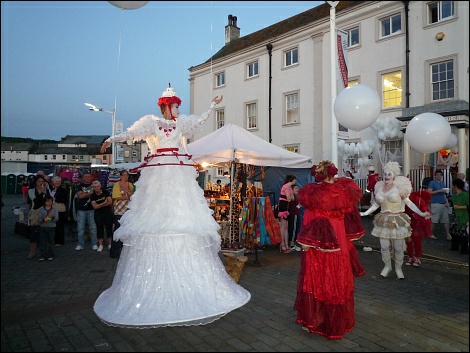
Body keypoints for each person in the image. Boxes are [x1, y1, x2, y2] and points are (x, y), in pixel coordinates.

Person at [94, 86, 250, 328]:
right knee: (156, 219)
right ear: (167, 106)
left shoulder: (180, 125)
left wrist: (211, 105)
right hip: (159, 176)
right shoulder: (153, 124)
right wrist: (111, 139)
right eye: (176, 106)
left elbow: (198, 121)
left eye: (179, 106)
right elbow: (131, 133)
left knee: (181, 216)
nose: (179, 110)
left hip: (177, 175)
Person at [294, 160, 364, 339]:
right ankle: (337, 321)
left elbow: (309, 217)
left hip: (320, 241)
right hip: (338, 238)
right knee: (336, 277)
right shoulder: (344, 190)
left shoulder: (313, 192)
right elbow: (349, 216)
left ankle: (318, 320)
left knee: (317, 276)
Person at [360, 161, 431, 279]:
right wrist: (365, 212)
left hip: (397, 219)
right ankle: (387, 266)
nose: (387, 176)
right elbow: (377, 204)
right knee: (384, 246)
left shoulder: (400, 189)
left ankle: (398, 268)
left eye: (389, 174)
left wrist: (422, 213)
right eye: (385, 173)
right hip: (383, 220)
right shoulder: (379, 187)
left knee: (398, 247)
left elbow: (410, 203)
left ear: (394, 176)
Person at [404, 190, 432, 267]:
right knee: (408, 240)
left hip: (416, 223)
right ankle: (411, 257)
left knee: (416, 240)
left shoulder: (418, 199)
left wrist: (417, 214)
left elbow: (425, 210)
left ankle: (416, 257)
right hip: (406, 222)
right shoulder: (402, 199)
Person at [110, 170, 134, 258]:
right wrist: (127, 196)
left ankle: (123, 249)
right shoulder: (117, 185)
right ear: (120, 176)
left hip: (127, 209)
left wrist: (130, 195)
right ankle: (114, 251)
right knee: (117, 228)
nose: (126, 177)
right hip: (119, 210)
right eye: (124, 175)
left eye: (127, 175)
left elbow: (133, 195)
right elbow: (116, 196)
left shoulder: (130, 185)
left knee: (126, 228)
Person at [27, 175, 50, 259]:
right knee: (33, 233)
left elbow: (48, 201)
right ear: (36, 182)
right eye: (39, 181)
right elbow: (35, 201)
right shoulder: (31, 191)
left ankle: (44, 252)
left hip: (44, 213)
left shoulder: (46, 191)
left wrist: (45, 192)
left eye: (42, 182)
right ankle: (32, 252)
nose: (41, 183)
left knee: (44, 233)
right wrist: (41, 193)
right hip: (34, 213)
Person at [75, 173, 98, 251]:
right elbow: (80, 196)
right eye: (86, 177)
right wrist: (91, 193)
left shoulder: (95, 185)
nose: (87, 178)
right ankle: (80, 244)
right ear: (83, 178)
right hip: (81, 209)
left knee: (93, 228)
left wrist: (85, 194)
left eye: (89, 176)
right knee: (80, 228)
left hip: (92, 209)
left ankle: (94, 243)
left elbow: (98, 193)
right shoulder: (79, 186)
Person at [90, 180, 114, 252]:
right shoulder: (93, 195)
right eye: (95, 187)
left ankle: (110, 243)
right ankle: (100, 244)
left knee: (109, 227)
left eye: (98, 186)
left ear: (100, 186)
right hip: (98, 214)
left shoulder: (106, 192)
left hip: (107, 213)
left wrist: (99, 205)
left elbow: (110, 202)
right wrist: (104, 203)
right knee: (99, 228)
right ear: (93, 188)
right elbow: (95, 206)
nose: (97, 188)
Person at [427, 169, 451, 240]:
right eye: (437, 175)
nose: (439, 176)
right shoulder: (432, 183)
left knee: (446, 220)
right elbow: (429, 192)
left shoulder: (442, 183)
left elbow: (444, 193)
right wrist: (440, 190)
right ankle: (430, 233)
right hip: (436, 203)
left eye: (440, 175)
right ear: (435, 176)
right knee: (434, 219)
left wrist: (446, 201)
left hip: (443, 203)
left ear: (442, 176)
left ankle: (448, 234)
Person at [449, 178, 469, 254]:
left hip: (463, 216)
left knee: (463, 233)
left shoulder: (465, 195)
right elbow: (453, 203)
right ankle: (455, 246)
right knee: (454, 231)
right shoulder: (454, 194)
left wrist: (459, 207)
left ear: (456, 186)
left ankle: (464, 250)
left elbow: (468, 206)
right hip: (455, 215)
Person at [277, 174, 296, 253]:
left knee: (286, 227)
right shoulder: (286, 187)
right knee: (283, 226)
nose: (295, 181)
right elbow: (289, 198)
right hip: (283, 206)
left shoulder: (289, 188)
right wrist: (290, 197)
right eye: (294, 179)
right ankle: (282, 244)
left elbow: (292, 198)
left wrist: (290, 197)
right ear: (291, 180)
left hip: (286, 206)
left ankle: (285, 243)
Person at [37, 195, 58, 261]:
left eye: (50, 201)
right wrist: (44, 220)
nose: (49, 203)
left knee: (51, 241)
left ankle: (51, 254)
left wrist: (50, 218)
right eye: (47, 201)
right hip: (43, 227)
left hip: (52, 227)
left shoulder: (54, 210)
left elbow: (56, 219)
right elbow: (39, 219)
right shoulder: (41, 210)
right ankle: (42, 255)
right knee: (43, 242)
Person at [50, 176, 68, 246]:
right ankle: (53, 240)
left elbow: (64, 199)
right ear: (53, 182)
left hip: (60, 210)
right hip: (52, 210)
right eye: (56, 181)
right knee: (52, 224)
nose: (57, 183)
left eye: (59, 181)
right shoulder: (51, 189)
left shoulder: (63, 190)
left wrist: (54, 199)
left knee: (59, 226)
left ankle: (59, 241)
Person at [288, 184, 302, 251]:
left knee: (295, 229)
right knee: (293, 229)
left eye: (297, 188)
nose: (297, 190)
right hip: (294, 215)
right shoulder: (292, 196)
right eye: (296, 188)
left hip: (296, 214)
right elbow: (297, 206)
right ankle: (292, 245)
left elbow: (298, 205)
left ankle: (293, 244)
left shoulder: (295, 196)